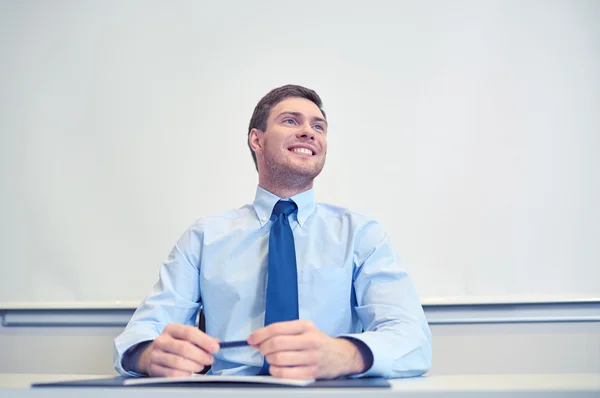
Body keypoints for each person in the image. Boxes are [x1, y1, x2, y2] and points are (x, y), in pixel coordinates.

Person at [114, 85, 432, 380]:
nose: (308, 131)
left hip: (329, 392)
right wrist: (147, 355)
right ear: (257, 139)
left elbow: (413, 339)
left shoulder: (361, 234)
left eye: (318, 126)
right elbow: (141, 332)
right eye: (291, 121)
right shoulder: (204, 237)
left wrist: (346, 354)